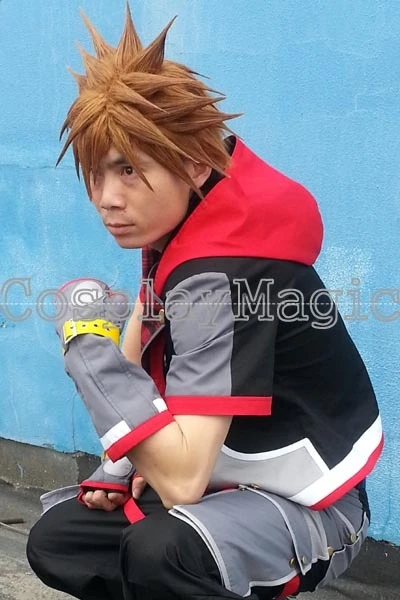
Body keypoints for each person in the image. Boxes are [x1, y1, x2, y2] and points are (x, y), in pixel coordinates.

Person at [27, 5, 383, 600]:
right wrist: (120, 468)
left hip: (313, 506)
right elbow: (140, 362)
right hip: (228, 473)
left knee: (159, 552)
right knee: (59, 540)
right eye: (96, 173)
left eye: (129, 170)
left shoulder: (230, 271)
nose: (107, 198)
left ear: (194, 164)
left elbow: (183, 481)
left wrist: (85, 343)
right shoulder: (183, 229)